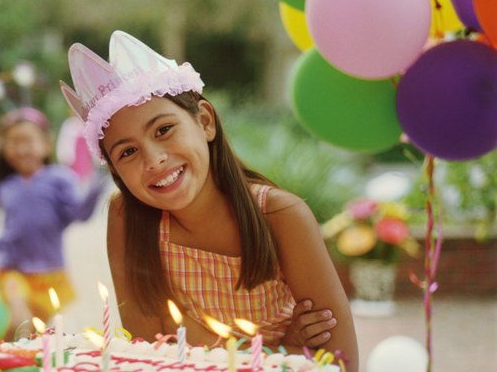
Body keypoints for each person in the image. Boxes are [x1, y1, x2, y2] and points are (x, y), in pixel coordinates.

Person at [59, 31, 358, 370]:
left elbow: (340, 362)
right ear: (115, 172)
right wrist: (284, 350)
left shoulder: (280, 216)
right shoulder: (126, 218)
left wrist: (191, 336)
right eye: (128, 152)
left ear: (204, 121)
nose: (154, 159)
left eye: (163, 130)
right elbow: (146, 357)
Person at [0, 107, 105, 340]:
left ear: (46, 144)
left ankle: (9, 360)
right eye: (12, 142)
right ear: (4, 149)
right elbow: (8, 235)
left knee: (35, 337)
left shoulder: (60, 179)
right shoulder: (6, 188)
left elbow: (79, 215)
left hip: (50, 276)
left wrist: (98, 185)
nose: (20, 148)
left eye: (27, 140)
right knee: (19, 321)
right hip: (13, 272)